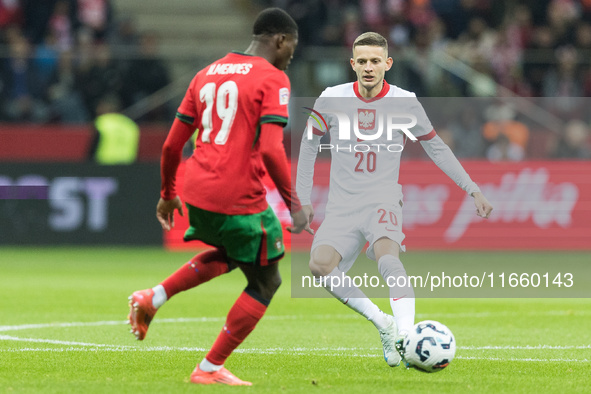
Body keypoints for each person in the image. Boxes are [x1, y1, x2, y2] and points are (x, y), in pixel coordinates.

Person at [127, 8, 308, 386]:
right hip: (236, 193)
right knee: (266, 281)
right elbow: (274, 150)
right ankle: (209, 369)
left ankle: (154, 297)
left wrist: (167, 193)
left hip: (196, 191)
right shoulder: (273, 78)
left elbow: (171, 146)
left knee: (236, 253)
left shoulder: (206, 73)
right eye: (292, 45)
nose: (292, 54)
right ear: (280, 40)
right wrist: (294, 204)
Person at [296, 32, 493, 368]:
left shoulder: (404, 102)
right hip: (342, 205)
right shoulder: (331, 97)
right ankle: (383, 323)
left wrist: (472, 187)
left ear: (388, 63)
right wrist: (302, 198)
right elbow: (309, 143)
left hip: (383, 199)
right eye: (362, 61)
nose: (369, 67)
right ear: (352, 64)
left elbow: (435, 147)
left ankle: (405, 335)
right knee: (319, 265)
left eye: (375, 61)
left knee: (388, 259)